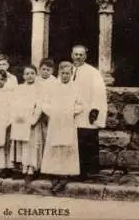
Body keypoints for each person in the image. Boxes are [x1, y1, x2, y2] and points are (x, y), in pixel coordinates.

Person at [41, 61, 83, 193]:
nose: (65, 76)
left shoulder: (75, 88)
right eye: (63, 73)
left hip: (68, 122)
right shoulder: (53, 87)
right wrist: (53, 111)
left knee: (67, 147)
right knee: (55, 147)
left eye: (68, 73)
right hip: (55, 121)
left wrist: (71, 111)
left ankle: (65, 174)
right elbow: (45, 103)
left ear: (71, 74)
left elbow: (81, 105)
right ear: (59, 73)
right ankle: (54, 174)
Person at [70, 45, 108, 178]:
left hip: (87, 112)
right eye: (76, 54)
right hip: (72, 113)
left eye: (81, 55)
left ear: (85, 56)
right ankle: (73, 169)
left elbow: (99, 93)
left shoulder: (93, 72)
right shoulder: (67, 71)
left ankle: (87, 171)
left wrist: (95, 110)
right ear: (72, 55)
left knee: (86, 140)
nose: (78, 57)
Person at [9, 65, 43, 178]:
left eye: (32, 73)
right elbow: (14, 103)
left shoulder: (39, 89)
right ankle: (23, 167)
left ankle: (31, 168)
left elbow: (39, 106)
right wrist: (16, 116)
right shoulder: (19, 88)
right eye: (27, 74)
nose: (29, 76)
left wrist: (33, 120)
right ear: (23, 76)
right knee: (22, 144)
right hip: (20, 120)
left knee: (31, 145)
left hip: (31, 121)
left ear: (36, 75)